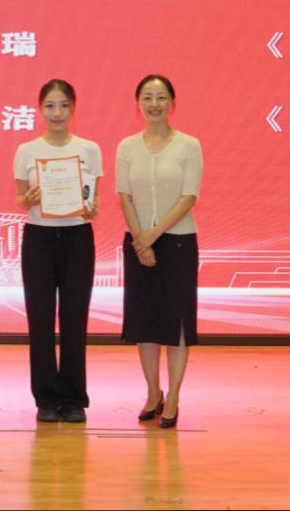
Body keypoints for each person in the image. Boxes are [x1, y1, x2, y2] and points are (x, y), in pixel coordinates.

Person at [116, 74, 202, 429]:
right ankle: (153, 393)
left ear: (172, 103)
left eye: (161, 97)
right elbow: (124, 196)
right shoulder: (127, 147)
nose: (154, 104)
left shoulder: (188, 146)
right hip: (138, 242)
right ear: (138, 104)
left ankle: (175, 396)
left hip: (177, 242)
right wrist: (141, 239)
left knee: (176, 323)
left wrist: (153, 235)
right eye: (148, 98)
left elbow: (188, 197)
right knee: (146, 323)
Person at [13, 79, 102, 423]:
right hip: (39, 237)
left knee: (74, 318)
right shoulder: (27, 150)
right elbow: (20, 198)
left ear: (74, 108)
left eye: (64, 105)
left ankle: (74, 397)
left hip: (78, 237)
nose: (57, 113)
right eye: (50, 105)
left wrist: (92, 209)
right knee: (40, 318)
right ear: (40, 110)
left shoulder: (89, 149)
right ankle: (46, 398)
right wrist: (28, 199)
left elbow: (92, 198)